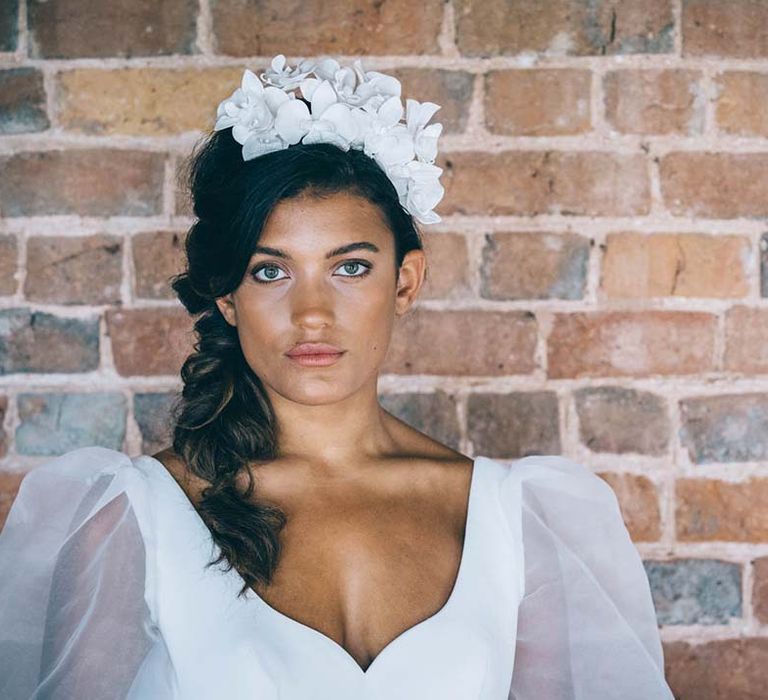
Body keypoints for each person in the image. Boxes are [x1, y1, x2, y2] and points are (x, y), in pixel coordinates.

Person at [0, 54, 674, 699]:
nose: (313, 313)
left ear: (405, 281)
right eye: (271, 271)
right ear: (228, 297)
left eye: (350, 267)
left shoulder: (516, 518)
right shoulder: (133, 517)